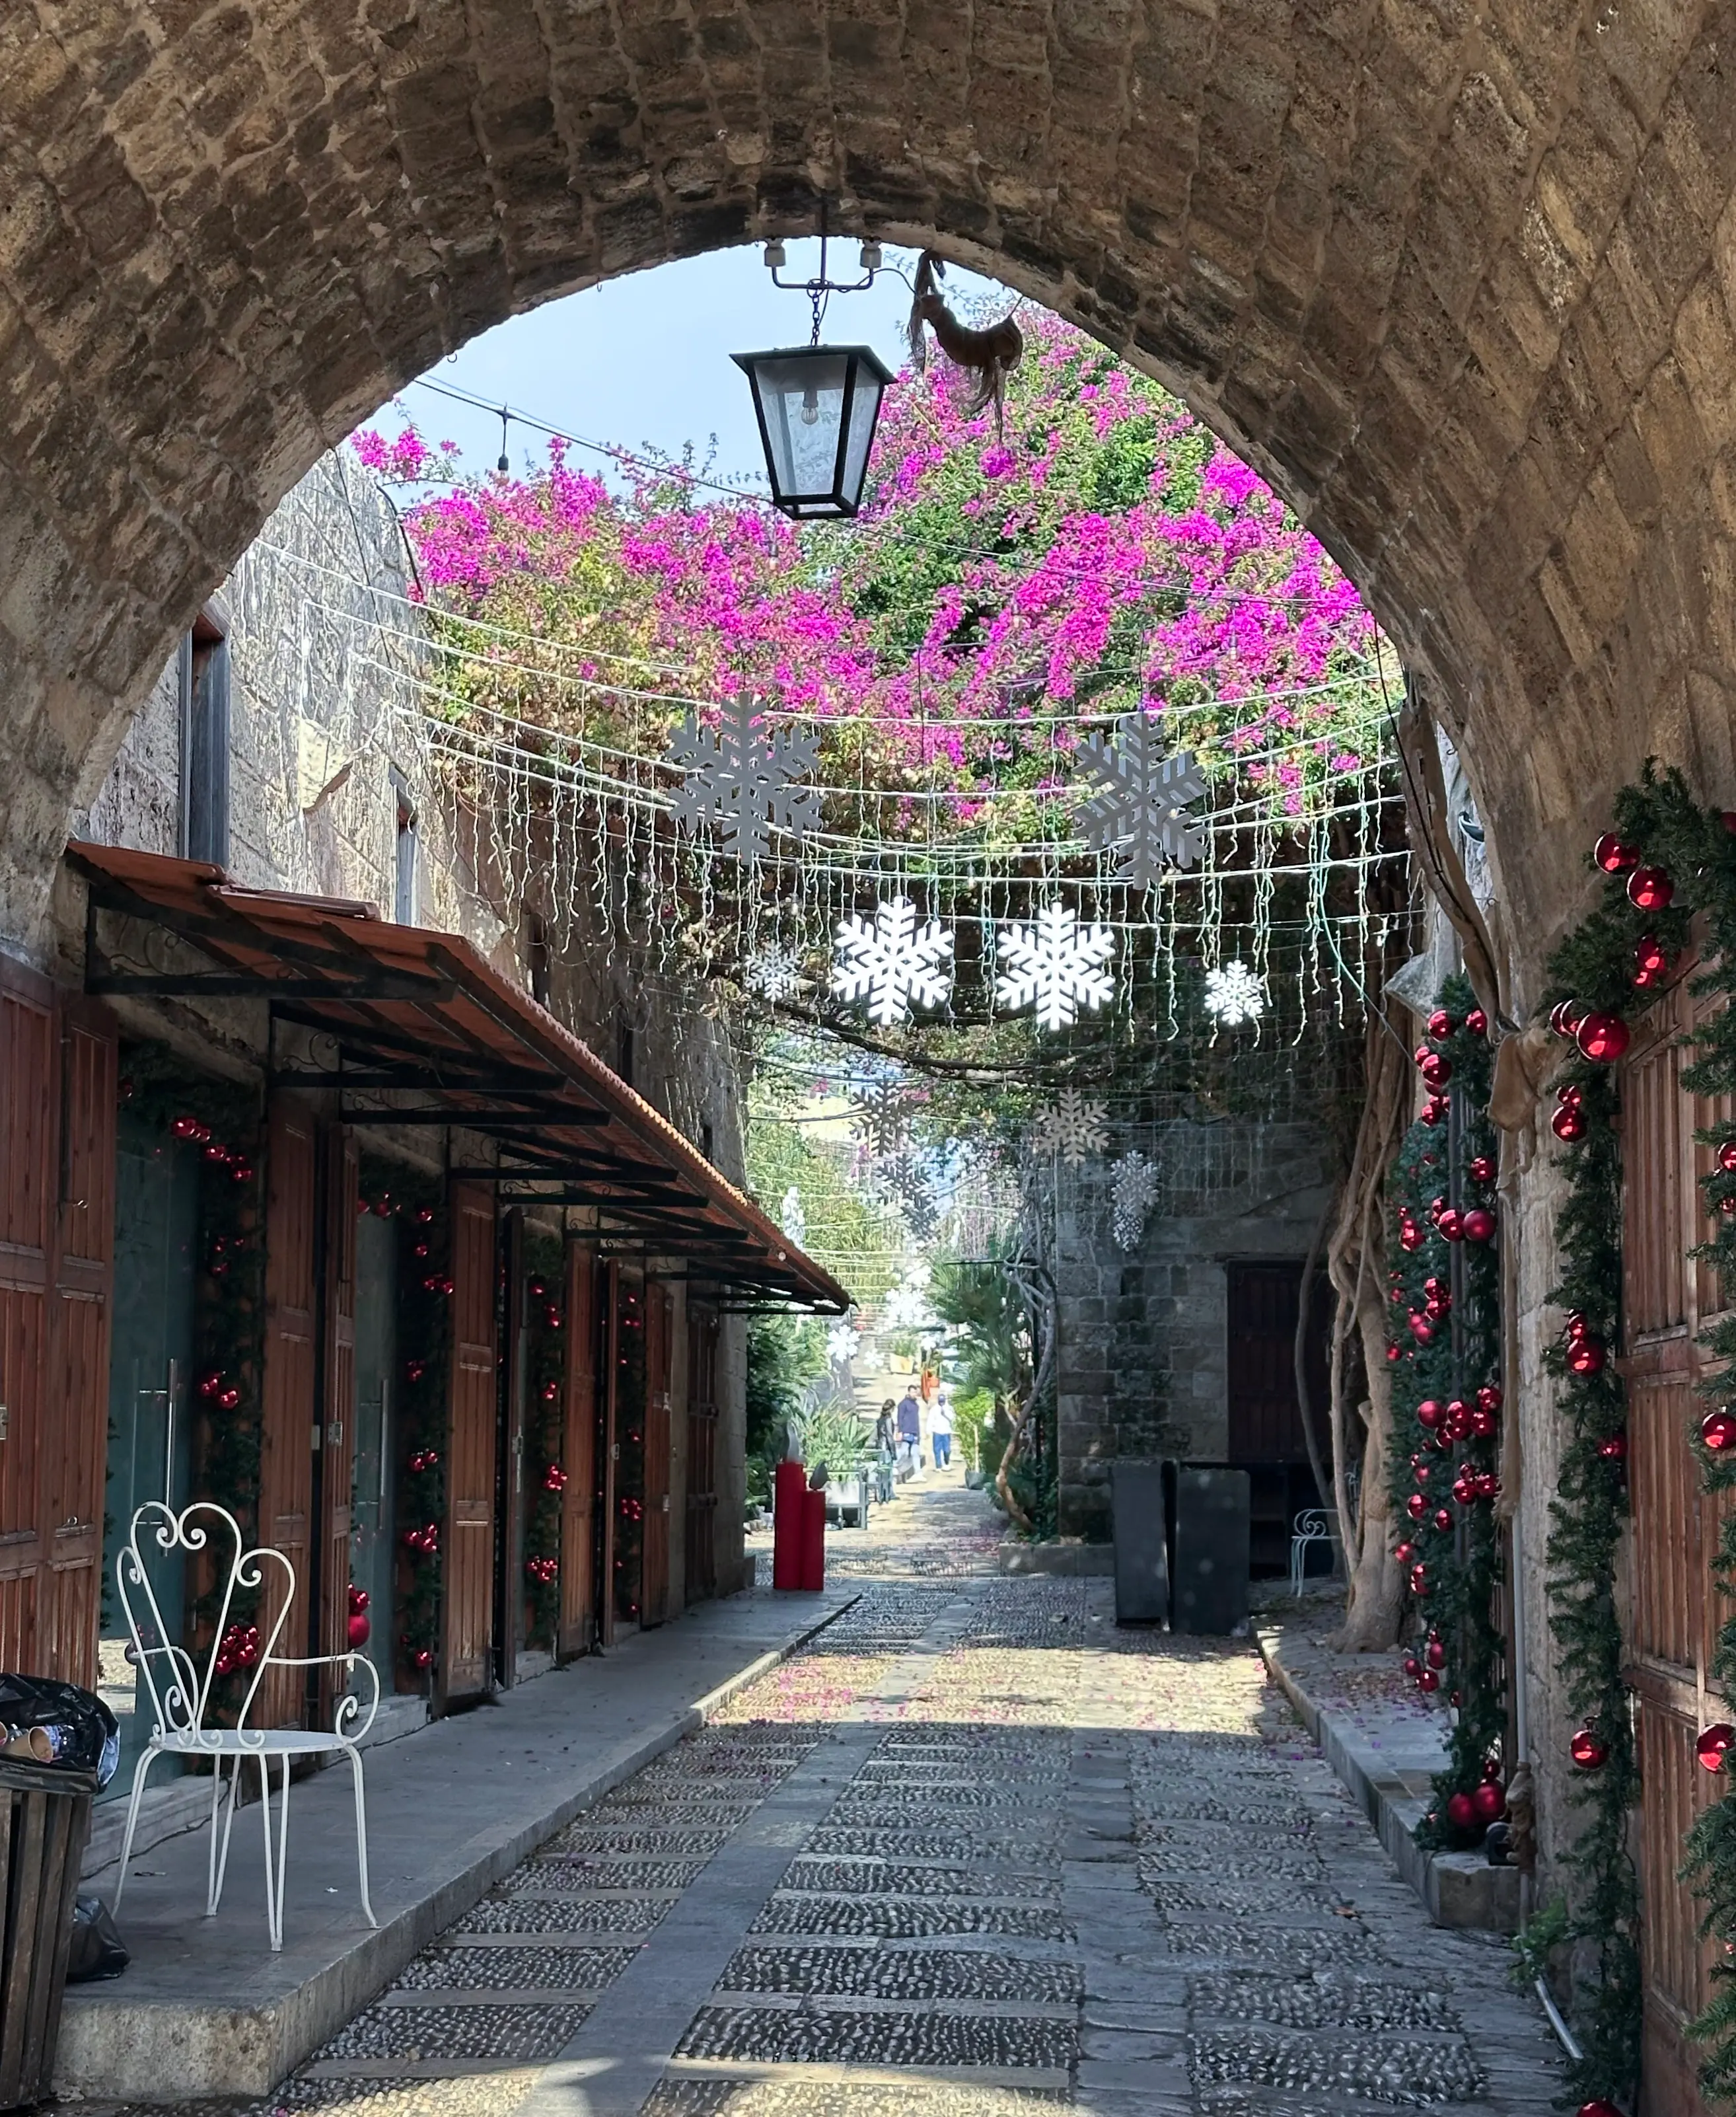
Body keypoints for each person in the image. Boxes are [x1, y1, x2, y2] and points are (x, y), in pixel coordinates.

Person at [895, 1386, 922, 1480]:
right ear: (909, 1392)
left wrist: (918, 1433)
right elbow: (900, 1418)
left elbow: (916, 1419)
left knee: (916, 1453)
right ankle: (894, 1465)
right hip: (906, 1431)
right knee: (904, 1452)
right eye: (913, 1392)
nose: (915, 1394)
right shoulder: (903, 1404)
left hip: (915, 1432)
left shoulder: (916, 1405)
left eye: (916, 1392)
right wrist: (900, 1431)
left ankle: (918, 1473)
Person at [873, 1400, 897, 1502]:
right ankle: (888, 1494)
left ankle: (882, 1494)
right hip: (886, 1448)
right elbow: (890, 1436)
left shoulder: (879, 1420)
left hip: (879, 1447)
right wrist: (893, 1451)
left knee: (881, 1472)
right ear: (892, 1409)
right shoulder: (888, 1420)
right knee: (888, 1472)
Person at [929, 1387, 953, 1470]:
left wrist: (945, 1413)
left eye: (943, 1401)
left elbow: (952, 1418)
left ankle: (946, 1462)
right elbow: (930, 1419)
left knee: (947, 1450)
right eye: (940, 1401)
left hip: (946, 1431)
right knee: (937, 1450)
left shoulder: (949, 1408)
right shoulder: (934, 1409)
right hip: (937, 1432)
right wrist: (929, 1430)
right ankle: (938, 1466)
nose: (941, 1403)